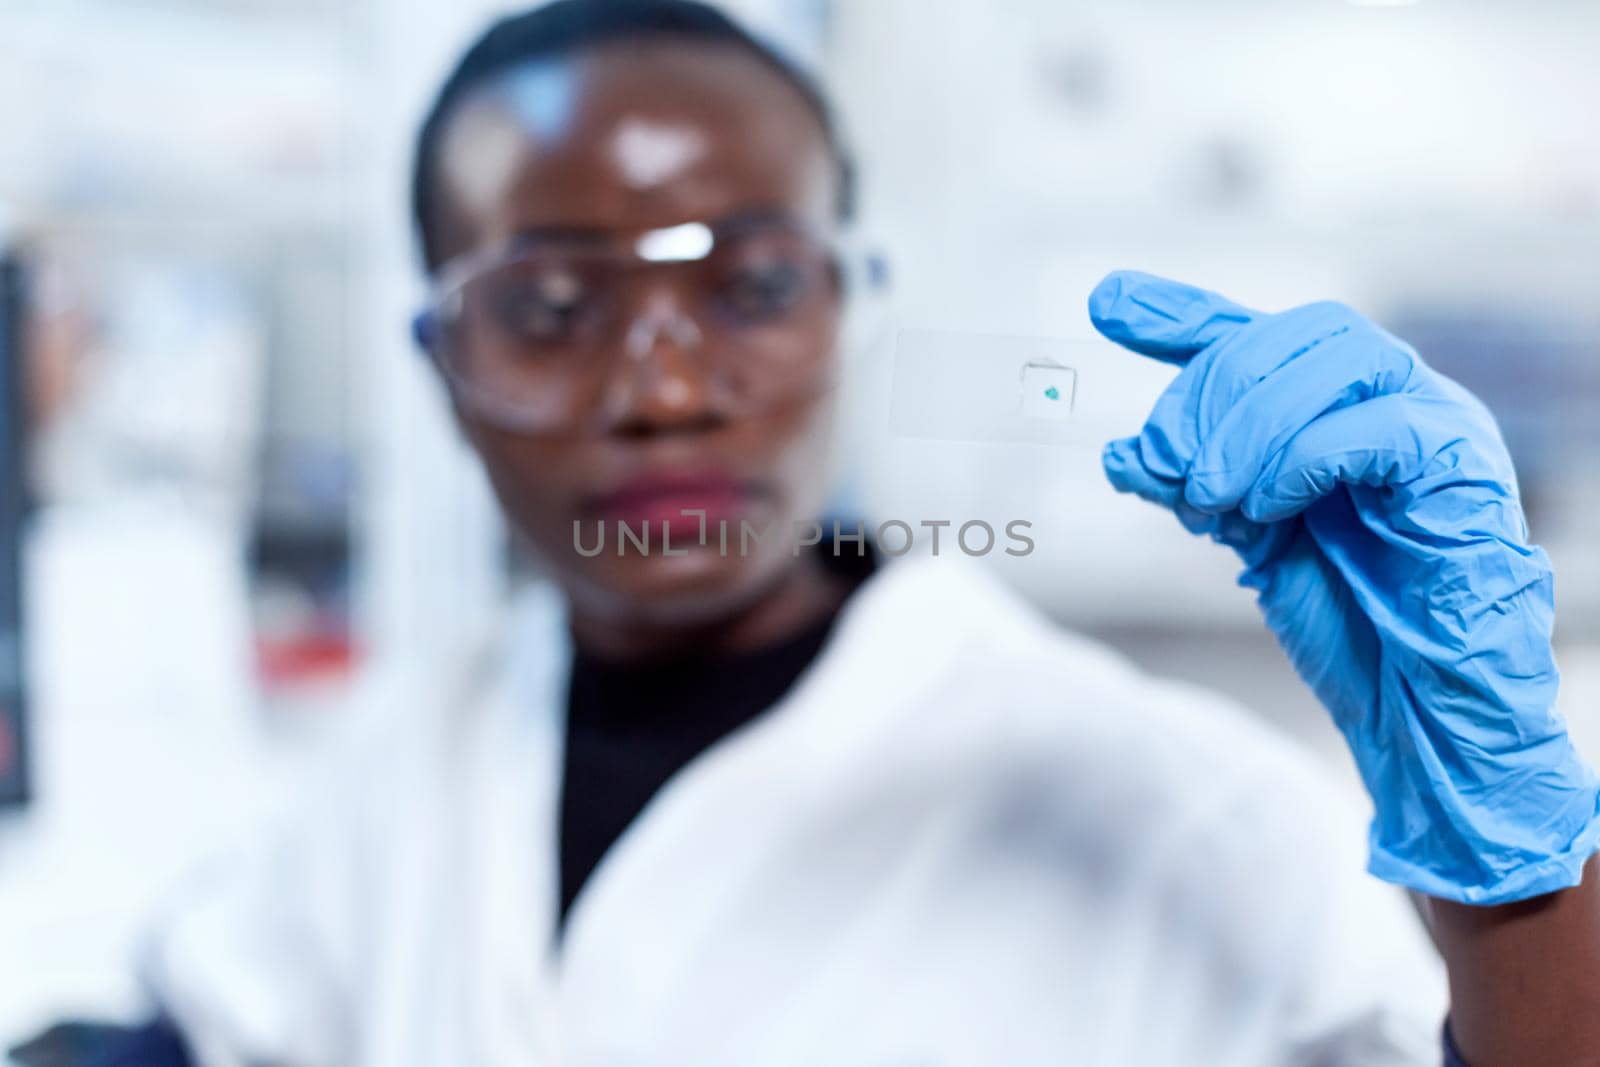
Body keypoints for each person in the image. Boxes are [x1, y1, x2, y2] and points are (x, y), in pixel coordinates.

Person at [71, 2, 1600, 1065]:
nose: (664, 387)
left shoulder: (1175, 810)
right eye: (548, 305)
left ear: (853, 310)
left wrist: (1513, 901)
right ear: (438, 362)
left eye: (749, 286)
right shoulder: (422, 748)